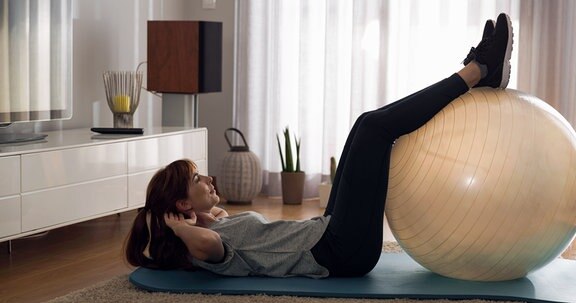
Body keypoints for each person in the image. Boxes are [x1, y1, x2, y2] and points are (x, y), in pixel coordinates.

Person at [125, 13, 513, 278]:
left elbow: (213, 225)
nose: (209, 178)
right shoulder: (204, 249)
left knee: (365, 123)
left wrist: (200, 214)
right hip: (339, 251)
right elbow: (206, 244)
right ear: (181, 205)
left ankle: (479, 73)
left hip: (329, 234)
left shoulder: (215, 224)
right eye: (197, 178)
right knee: (377, 129)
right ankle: (477, 71)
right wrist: (175, 229)